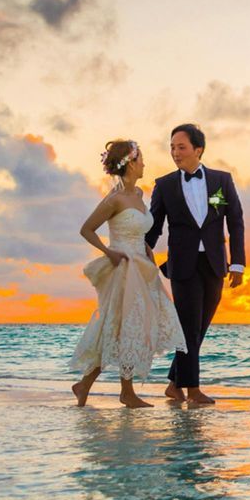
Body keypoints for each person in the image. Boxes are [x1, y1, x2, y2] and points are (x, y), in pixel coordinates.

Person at [70, 139, 187, 408]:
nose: (145, 163)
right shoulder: (115, 199)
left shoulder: (139, 195)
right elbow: (86, 229)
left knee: (132, 328)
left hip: (142, 268)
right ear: (131, 163)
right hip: (122, 269)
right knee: (123, 327)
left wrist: (146, 246)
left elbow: (138, 228)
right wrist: (108, 251)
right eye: (141, 159)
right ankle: (126, 392)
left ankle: (86, 385)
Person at [144, 123, 245, 406]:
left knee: (200, 327)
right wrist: (138, 249)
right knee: (188, 327)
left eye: (181, 147)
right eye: (172, 148)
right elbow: (155, 227)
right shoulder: (164, 185)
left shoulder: (222, 180)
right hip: (183, 265)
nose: (175, 153)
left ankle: (174, 384)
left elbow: (235, 221)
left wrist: (237, 264)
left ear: (198, 149)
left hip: (214, 264)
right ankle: (193, 390)